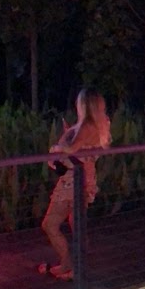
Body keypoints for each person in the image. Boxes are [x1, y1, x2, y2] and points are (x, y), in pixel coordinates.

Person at [36, 86, 111, 278]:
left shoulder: (86, 127)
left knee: (50, 224)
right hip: (86, 178)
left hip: (73, 179)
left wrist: (58, 146)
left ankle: (68, 265)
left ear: (83, 105)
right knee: (76, 224)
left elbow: (71, 150)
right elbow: (85, 148)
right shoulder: (101, 125)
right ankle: (77, 267)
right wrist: (71, 134)